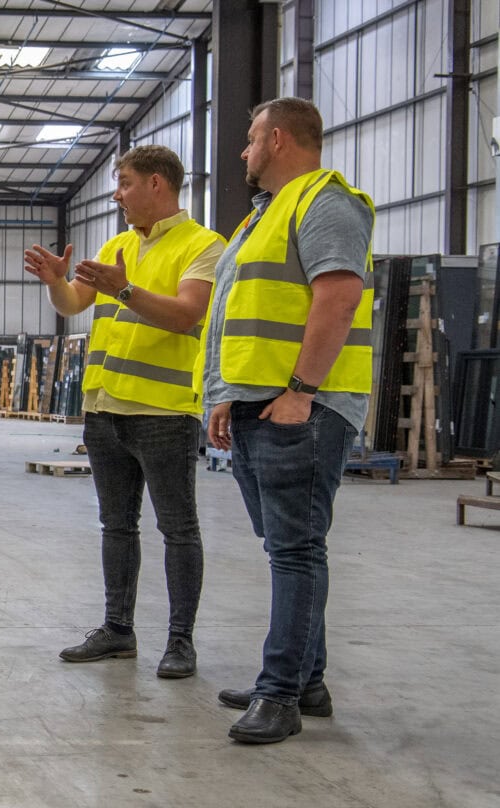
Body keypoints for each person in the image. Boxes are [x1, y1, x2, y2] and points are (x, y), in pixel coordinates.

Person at [204, 97, 374, 744]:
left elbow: (339, 295)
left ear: (277, 140)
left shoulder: (326, 202)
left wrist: (303, 389)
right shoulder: (263, 218)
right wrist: (225, 394)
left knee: (297, 549)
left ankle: (281, 693)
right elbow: (240, 317)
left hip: (300, 408)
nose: (244, 152)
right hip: (255, 403)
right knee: (287, 546)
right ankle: (306, 680)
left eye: (250, 140)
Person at [22, 145, 224, 679]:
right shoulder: (116, 245)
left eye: (125, 182)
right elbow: (73, 306)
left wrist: (126, 289)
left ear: (157, 184)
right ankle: (117, 630)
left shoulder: (203, 246)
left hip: (163, 412)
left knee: (178, 528)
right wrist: (56, 283)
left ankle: (180, 642)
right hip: (104, 409)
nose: (116, 194)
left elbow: (186, 316)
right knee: (116, 525)